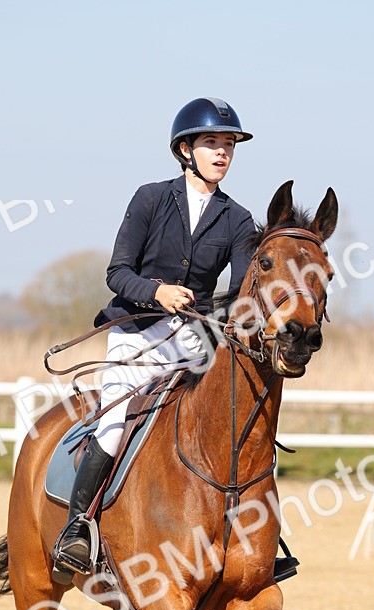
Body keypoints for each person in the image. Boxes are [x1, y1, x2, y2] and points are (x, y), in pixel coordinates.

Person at [53, 96, 255, 576]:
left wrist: (227, 316)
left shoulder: (238, 220)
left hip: (194, 339)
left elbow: (239, 295)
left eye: (229, 145)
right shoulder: (149, 198)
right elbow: (117, 273)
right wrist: (159, 292)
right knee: (115, 421)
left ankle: (256, 537)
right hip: (137, 332)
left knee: (230, 424)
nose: (222, 153)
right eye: (212, 143)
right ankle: (78, 526)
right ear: (185, 149)